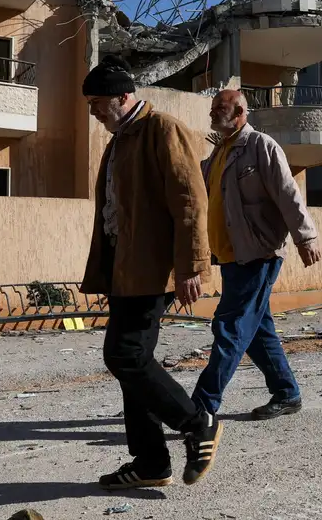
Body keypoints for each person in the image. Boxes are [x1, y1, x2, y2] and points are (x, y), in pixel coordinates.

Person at [80, 55, 223, 489]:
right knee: (133, 364)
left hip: (153, 269)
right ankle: (150, 463)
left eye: (98, 103)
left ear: (123, 97)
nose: (93, 111)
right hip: (126, 269)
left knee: (124, 356)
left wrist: (191, 266)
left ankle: (197, 423)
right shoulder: (120, 139)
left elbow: (190, 200)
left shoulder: (163, 129)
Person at [192, 89, 322, 421]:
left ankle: (201, 407)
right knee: (256, 330)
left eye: (219, 107)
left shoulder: (261, 146)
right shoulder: (219, 153)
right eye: (212, 108)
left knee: (230, 327)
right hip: (231, 255)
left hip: (258, 252)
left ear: (240, 112)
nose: (212, 112)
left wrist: (305, 237)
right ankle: (287, 393)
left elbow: (287, 192)